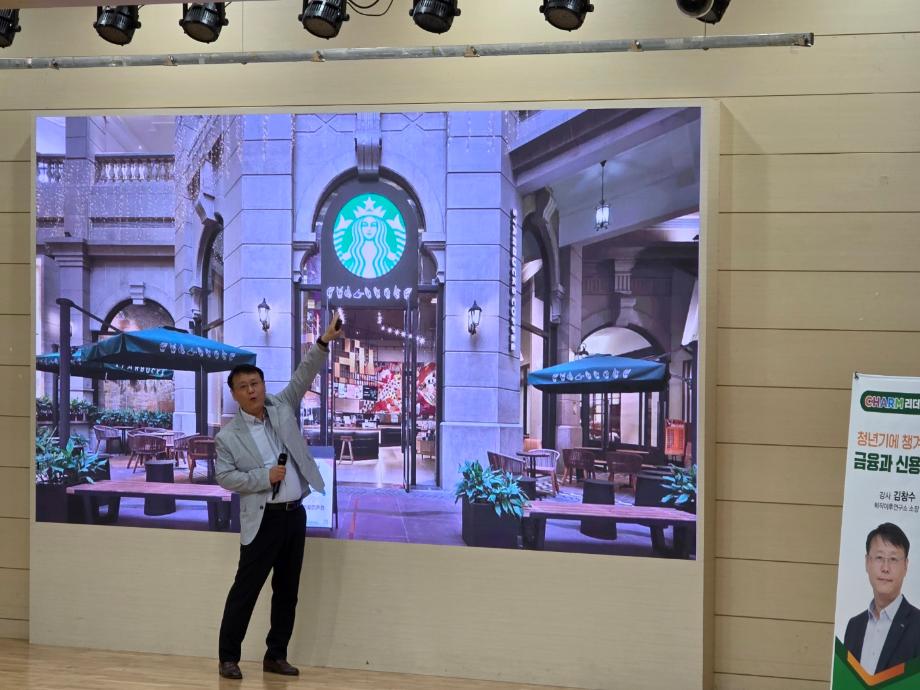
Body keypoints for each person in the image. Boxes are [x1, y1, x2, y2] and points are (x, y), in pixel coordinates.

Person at [215, 319, 343, 680]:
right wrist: (263, 477)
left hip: (294, 515)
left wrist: (323, 341)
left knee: (287, 591)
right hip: (263, 519)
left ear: (263, 385)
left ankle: (276, 655)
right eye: (243, 387)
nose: (251, 390)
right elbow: (225, 477)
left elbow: (304, 374)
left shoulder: (282, 406)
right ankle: (228, 658)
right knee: (246, 590)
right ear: (235, 394)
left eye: (255, 383)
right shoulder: (228, 437)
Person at [844, 522, 920, 675]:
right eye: (879, 557)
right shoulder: (854, 626)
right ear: (867, 562)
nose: (885, 568)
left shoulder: (917, 625)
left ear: (906, 565)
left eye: (893, 559)